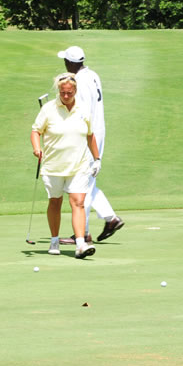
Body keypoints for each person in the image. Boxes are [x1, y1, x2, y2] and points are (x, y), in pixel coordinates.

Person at [58, 45, 124, 243]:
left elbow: (81, 113)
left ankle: (84, 233)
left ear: (70, 63)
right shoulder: (92, 75)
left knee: (81, 182)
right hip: (98, 131)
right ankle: (110, 218)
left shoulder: (78, 82)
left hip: (88, 135)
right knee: (87, 180)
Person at [31, 73, 102, 259]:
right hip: (53, 166)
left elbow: (90, 135)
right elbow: (35, 131)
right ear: (59, 91)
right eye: (63, 93)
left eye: (69, 93)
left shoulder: (83, 109)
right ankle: (54, 240)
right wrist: (37, 148)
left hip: (78, 166)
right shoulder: (48, 109)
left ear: (75, 91)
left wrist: (97, 159)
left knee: (78, 202)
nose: (66, 96)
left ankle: (80, 244)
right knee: (55, 201)